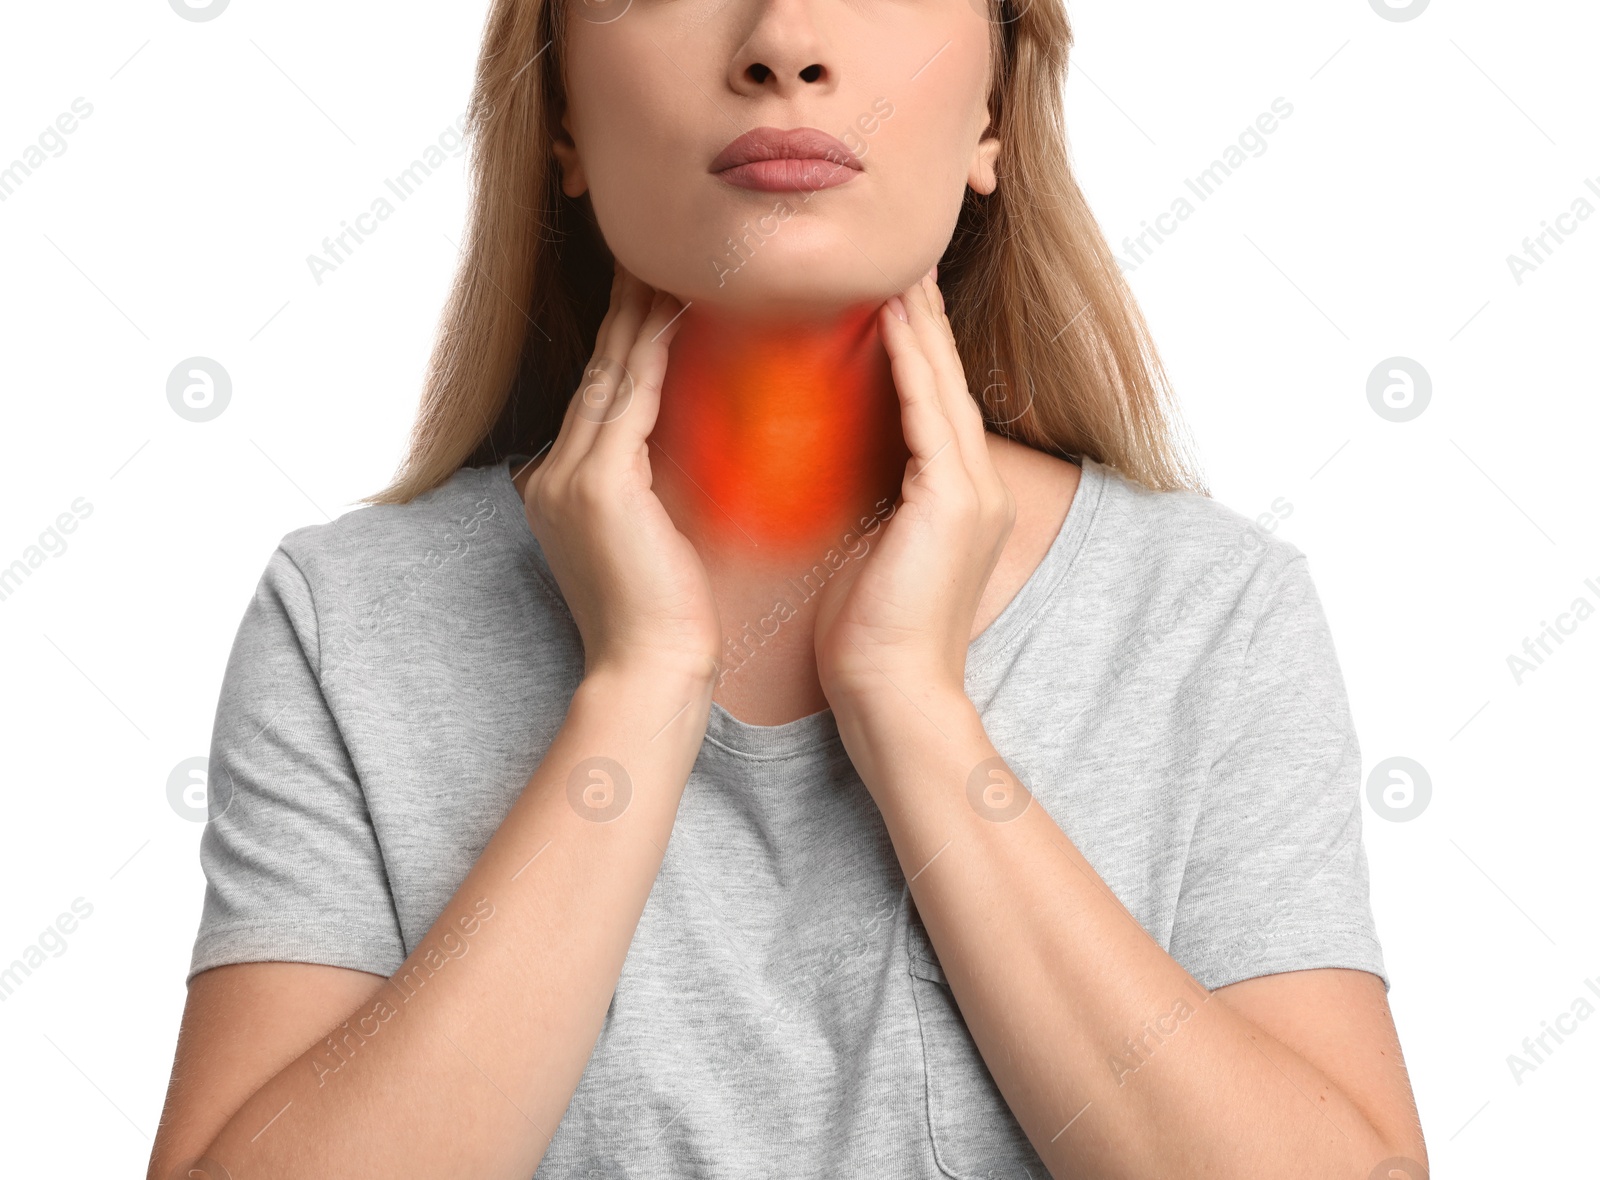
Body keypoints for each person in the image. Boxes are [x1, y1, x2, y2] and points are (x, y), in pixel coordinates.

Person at [148, 0, 1429, 1175]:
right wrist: (638, 691)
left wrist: (910, 706)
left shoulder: (1211, 614)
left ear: (993, 112)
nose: (782, 42)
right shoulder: (347, 622)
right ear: (561, 124)